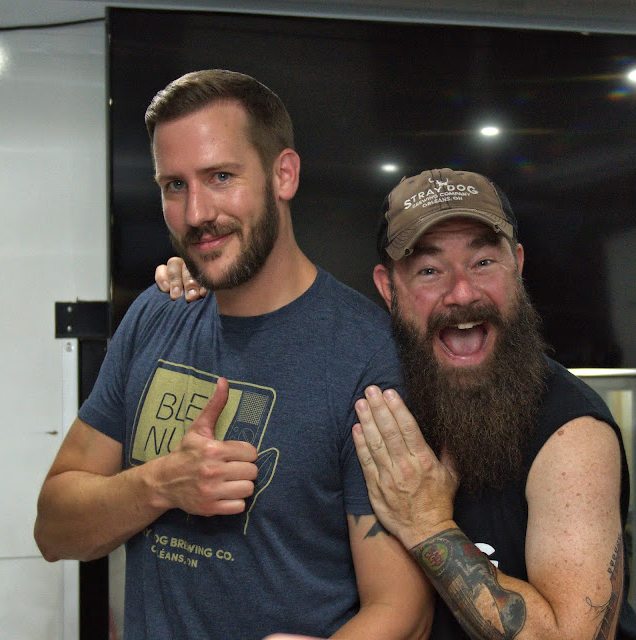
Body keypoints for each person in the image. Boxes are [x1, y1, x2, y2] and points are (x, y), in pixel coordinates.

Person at [33, 70, 432, 640]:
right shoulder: (156, 314)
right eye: (174, 185)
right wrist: (160, 484)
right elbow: (54, 530)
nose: (197, 213)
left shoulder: (367, 357)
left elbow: (404, 611)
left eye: (220, 177)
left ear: (283, 174)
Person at [160, 167, 635, 640]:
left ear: (518, 265)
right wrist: (206, 276)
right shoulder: (370, 384)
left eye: (484, 262)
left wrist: (428, 524)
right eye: (429, 271)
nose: (462, 292)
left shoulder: (573, 434)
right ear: (389, 289)